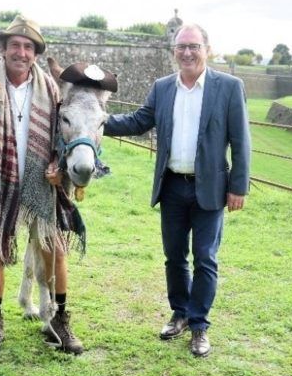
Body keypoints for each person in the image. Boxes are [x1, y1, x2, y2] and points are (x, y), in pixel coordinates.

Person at [104, 23, 251, 357]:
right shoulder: (162, 87)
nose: (187, 52)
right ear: (174, 51)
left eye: (194, 46)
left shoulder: (228, 87)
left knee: (205, 258)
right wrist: (97, 121)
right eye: (181, 46)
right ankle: (180, 313)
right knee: (174, 257)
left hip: (210, 188)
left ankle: (199, 325)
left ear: (207, 49)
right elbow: (139, 121)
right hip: (171, 185)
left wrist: (238, 186)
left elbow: (241, 141)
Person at [0, 16, 84, 355]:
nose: (21, 52)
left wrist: (58, 163)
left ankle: (59, 321)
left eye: (28, 47)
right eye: (16, 45)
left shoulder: (50, 87)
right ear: (4, 49)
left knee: (56, 252)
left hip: (39, 180)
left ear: (35, 53)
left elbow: (63, 136)